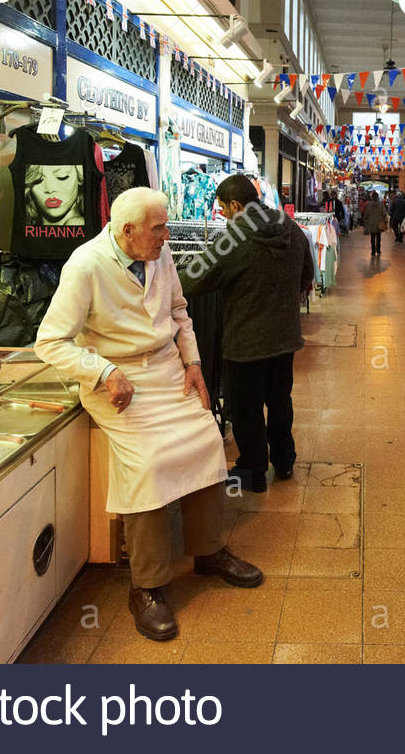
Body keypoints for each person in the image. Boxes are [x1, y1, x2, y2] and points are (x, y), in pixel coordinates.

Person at [34, 187, 263, 642]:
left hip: (166, 370)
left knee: (207, 441)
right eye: (158, 228)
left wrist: (194, 364)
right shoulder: (85, 264)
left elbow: (179, 311)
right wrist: (101, 371)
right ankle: (148, 586)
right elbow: (50, 341)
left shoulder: (160, 255)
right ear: (127, 231)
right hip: (117, 385)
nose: (166, 236)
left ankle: (209, 551)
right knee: (149, 463)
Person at [180, 174, 314, 495]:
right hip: (285, 337)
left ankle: (253, 470)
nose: (223, 215)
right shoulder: (290, 227)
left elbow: (193, 280)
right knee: (280, 400)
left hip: (246, 341)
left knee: (245, 407)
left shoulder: (233, 238)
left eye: (224, 209)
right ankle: (284, 459)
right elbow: (307, 274)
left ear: (236, 205)